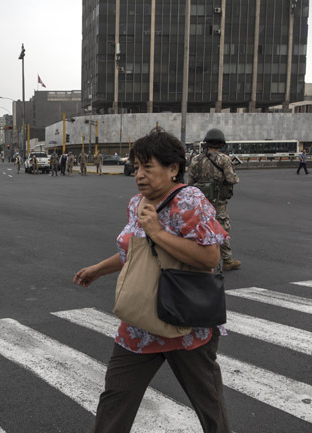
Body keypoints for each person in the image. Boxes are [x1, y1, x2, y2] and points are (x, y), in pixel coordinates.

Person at [74, 128, 230, 433]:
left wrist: (158, 231)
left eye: (149, 166)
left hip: (185, 322)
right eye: (137, 166)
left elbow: (211, 257)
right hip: (141, 322)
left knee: (208, 403)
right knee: (116, 397)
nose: (139, 174)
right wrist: (97, 269)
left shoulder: (190, 200)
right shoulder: (137, 203)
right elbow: (136, 254)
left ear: (173, 169)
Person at [188, 128, 241, 271]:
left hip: (200, 201)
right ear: (221, 144)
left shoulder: (196, 159)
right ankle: (227, 260)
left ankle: (195, 257)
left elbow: (190, 182)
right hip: (218, 201)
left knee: (198, 227)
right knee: (222, 227)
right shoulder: (224, 159)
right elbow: (232, 179)